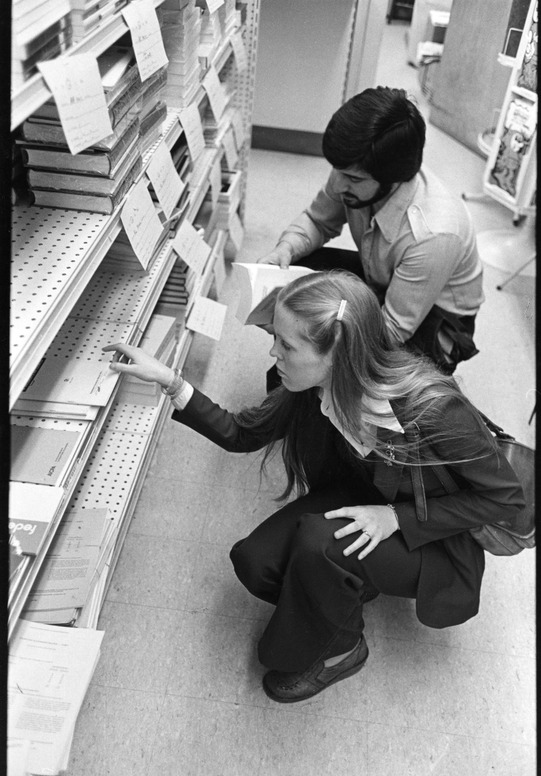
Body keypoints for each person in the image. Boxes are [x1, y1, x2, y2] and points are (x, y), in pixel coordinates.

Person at [103, 271, 524, 704]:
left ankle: (343, 649)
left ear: (337, 352)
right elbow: (241, 433)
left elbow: (505, 498)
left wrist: (393, 518)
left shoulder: (431, 407)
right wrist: (171, 382)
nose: (273, 352)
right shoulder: (315, 385)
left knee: (320, 545)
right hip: (369, 495)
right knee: (255, 562)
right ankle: (348, 588)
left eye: (286, 345)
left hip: (434, 537)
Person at [259, 86, 484, 377]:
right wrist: (285, 249)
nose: (338, 185)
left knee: (342, 380)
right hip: (382, 279)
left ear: (393, 180)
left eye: (352, 178)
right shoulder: (355, 169)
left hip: (434, 320)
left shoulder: (433, 234)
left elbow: (391, 331)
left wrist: (318, 342)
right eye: (337, 171)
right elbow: (318, 221)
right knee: (296, 276)